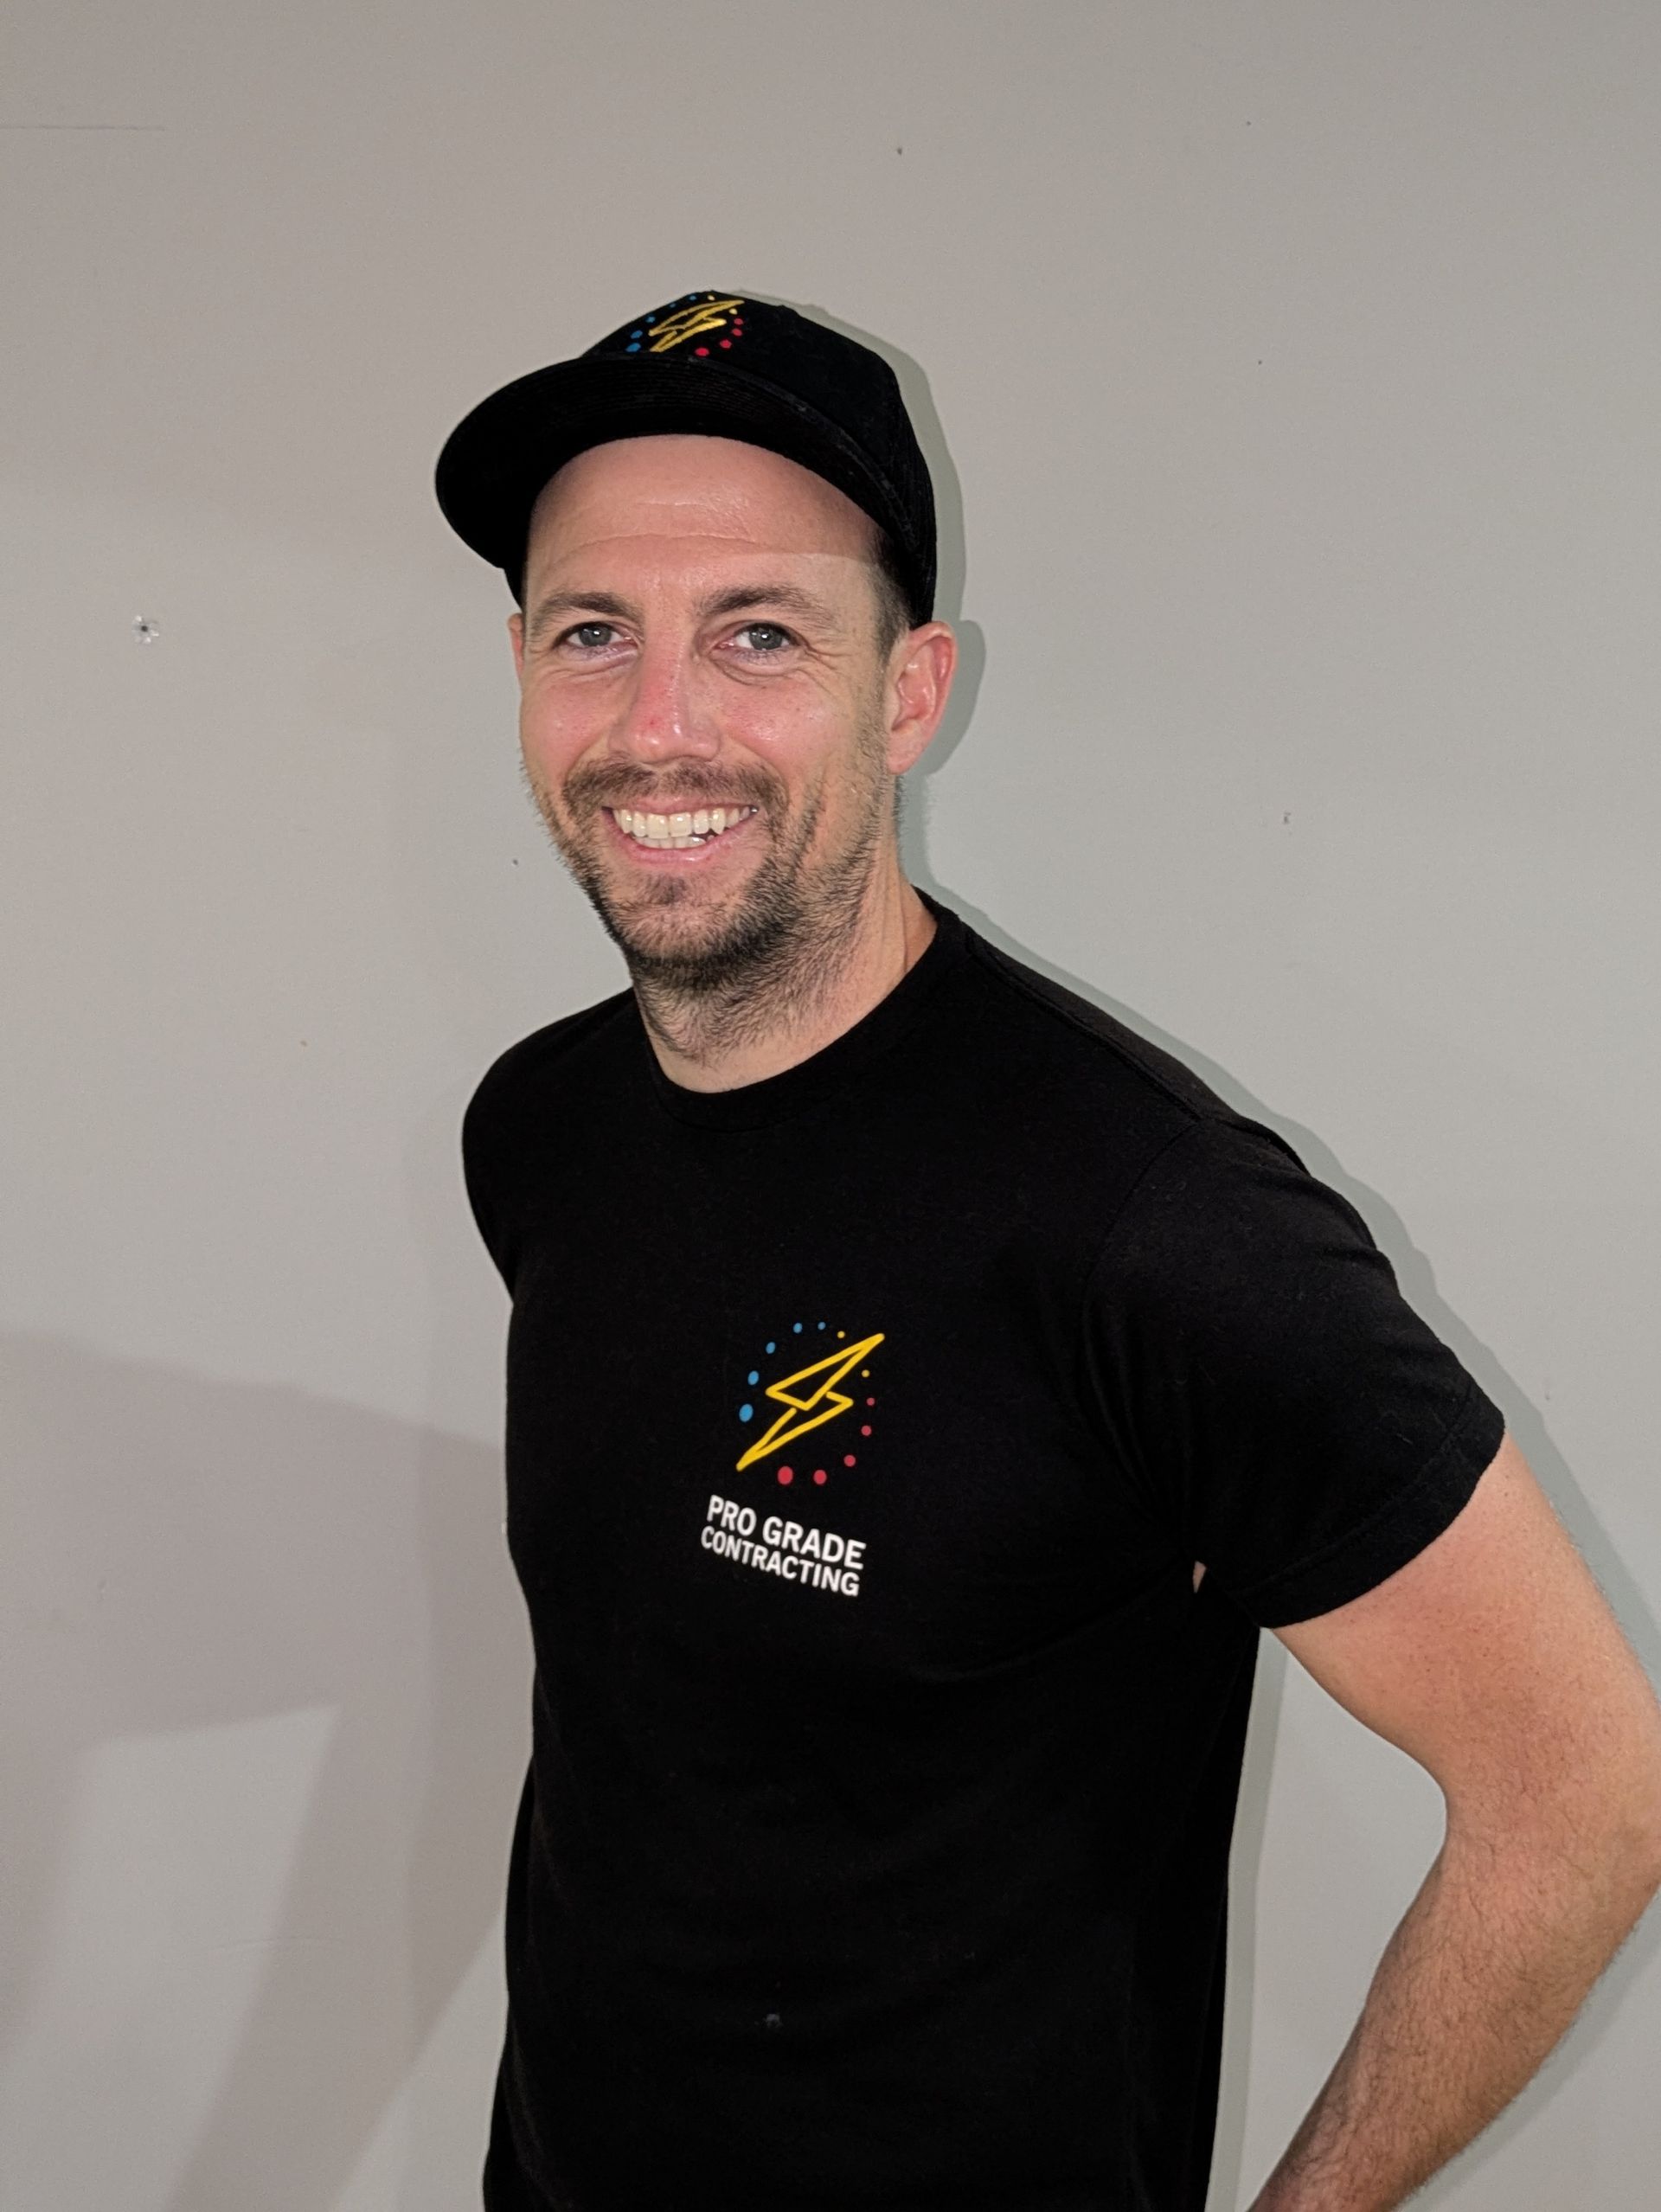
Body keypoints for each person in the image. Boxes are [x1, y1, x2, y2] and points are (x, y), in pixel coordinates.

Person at [434, 290, 1661, 2212]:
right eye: (597, 632)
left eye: (758, 634)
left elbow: (1587, 1791)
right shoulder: (546, 1130)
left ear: (909, 693)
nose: (657, 721)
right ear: (521, 665)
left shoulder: (1155, 1230)